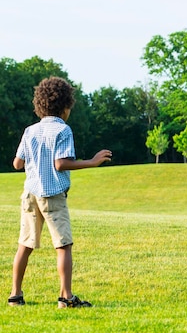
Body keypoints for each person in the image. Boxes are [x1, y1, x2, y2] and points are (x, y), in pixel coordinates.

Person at [8, 77, 112, 308]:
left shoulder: (30, 131)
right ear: (65, 107)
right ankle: (66, 297)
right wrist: (92, 162)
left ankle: (15, 295)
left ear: (39, 105)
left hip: (30, 194)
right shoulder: (63, 130)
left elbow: (17, 164)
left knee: (24, 245)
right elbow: (60, 164)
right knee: (63, 245)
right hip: (53, 195)